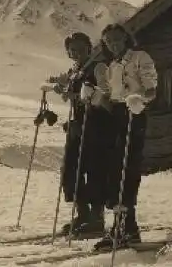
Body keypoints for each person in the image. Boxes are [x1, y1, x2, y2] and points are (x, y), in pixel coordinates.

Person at [41, 32, 115, 238]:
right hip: (78, 124)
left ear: (88, 48)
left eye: (80, 49)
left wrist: (77, 95)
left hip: (97, 125)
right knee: (71, 168)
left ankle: (96, 218)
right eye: (72, 50)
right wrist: (61, 87)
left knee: (94, 169)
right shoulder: (76, 70)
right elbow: (70, 89)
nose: (76, 53)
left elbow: (105, 96)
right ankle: (83, 214)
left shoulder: (99, 67)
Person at [93, 23, 158, 250]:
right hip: (118, 116)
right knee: (114, 169)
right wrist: (96, 98)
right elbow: (112, 98)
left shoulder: (140, 57)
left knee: (128, 169)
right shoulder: (111, 66)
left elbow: (152, 89)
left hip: (135, 113)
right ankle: (124, 226)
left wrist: (138, 98)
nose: (113, 44)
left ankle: (126, 228)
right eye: (108, 41)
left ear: (126, 39)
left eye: (117, 39)